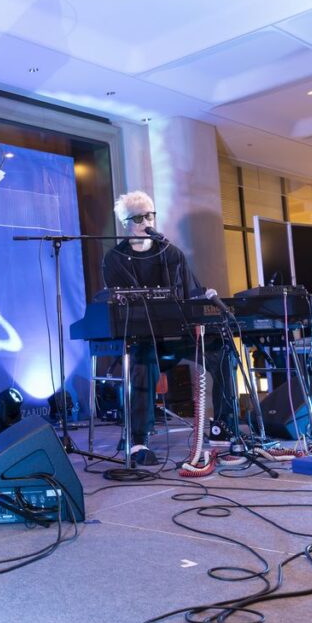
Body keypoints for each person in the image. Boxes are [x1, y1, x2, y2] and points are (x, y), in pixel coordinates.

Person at [102, 190, 235, 465]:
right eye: (138, 218)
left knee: (222, 351)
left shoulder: (170, 252)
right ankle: (138, 439)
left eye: (149, 215)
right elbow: (119, 303)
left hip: (179, 336)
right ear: (125, 223)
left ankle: (223, 427)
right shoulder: (114, 259)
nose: (146, 222)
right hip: (145, 340)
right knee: (142, 361)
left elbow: (191, 292)